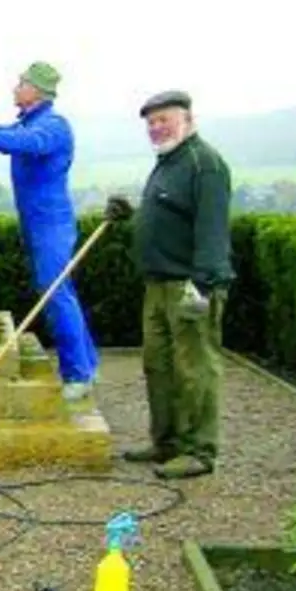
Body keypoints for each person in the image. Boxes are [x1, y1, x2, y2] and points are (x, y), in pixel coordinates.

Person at [0, 62, 102, 401]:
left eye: (21, 83)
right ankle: (88, 365)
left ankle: (78, 375)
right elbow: (6, 134)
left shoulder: (53, 126)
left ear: (37, 90)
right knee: (61, 293)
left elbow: (25, 142)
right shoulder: (31, 123)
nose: (14, 88)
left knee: (55, 294)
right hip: (38, 223)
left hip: (52, 225)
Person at [121, 90, 234, 480]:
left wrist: (201, 286)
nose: (156, 128)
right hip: (157, 284)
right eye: (151, 123)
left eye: (163, 120)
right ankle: (166, 441)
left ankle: (199, 451)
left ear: (187, 118)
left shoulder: (205, 164)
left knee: (195, 368)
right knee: (159, 365)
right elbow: (169, 216)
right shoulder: (168, 162)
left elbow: (212, 228)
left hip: (190, 284)